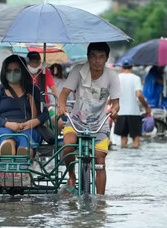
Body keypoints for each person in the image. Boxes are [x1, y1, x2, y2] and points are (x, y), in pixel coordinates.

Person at [58, 42, 120, 195]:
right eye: (93, 56)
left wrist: (114, 110)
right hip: (76, 121)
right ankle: (71, 177)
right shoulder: (78, 71)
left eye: (101, 57)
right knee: (67, 147)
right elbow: (64, 93)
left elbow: (116, 103)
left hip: (99, 124)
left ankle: (100, 200)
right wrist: (61, 105)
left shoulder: (112, 76)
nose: (97, 61)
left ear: (106, 59)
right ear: (88, 57)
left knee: (100, 160)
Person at [0, 55, 49, 157]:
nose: (12, 73)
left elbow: (44, 113)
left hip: (29, 128)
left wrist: (33, 122)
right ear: (4, 72)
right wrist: (7, 124)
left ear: (23, 71)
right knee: (7, 139)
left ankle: (23, 162)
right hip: (4, 127)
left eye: (16, 70)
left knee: (25, 141)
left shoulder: (34, 90)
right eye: (8, 71)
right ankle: (8, 154)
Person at [113, 57, 151, 148]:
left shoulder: (117, 78)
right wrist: (146, 106)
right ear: (132, 66)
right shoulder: (136, 78)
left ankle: (125, 160)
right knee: (136, 138)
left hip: (120, 112)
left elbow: (113, 95)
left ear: (122, 67)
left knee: (123, 138)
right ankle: (134, 160)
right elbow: (139, 94)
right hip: (133, 112)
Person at [27, 52, 63, 133]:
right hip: (27, 108)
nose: (34, 64)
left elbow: (54, 89)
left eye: (36, 62)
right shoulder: (24, 73)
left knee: (59, 123)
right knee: (41, 125)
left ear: (40, 62)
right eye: (32, 62)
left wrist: (61, 104)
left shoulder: (44, 72)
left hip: (44, 107)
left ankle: (54, 143)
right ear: (27, 63)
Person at [142, 66, 167, 133]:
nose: (163, 69)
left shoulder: (161, 76)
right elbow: (162, 82)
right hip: (155, 102)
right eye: (162, 67)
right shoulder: (153, 75)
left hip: (161, 102)